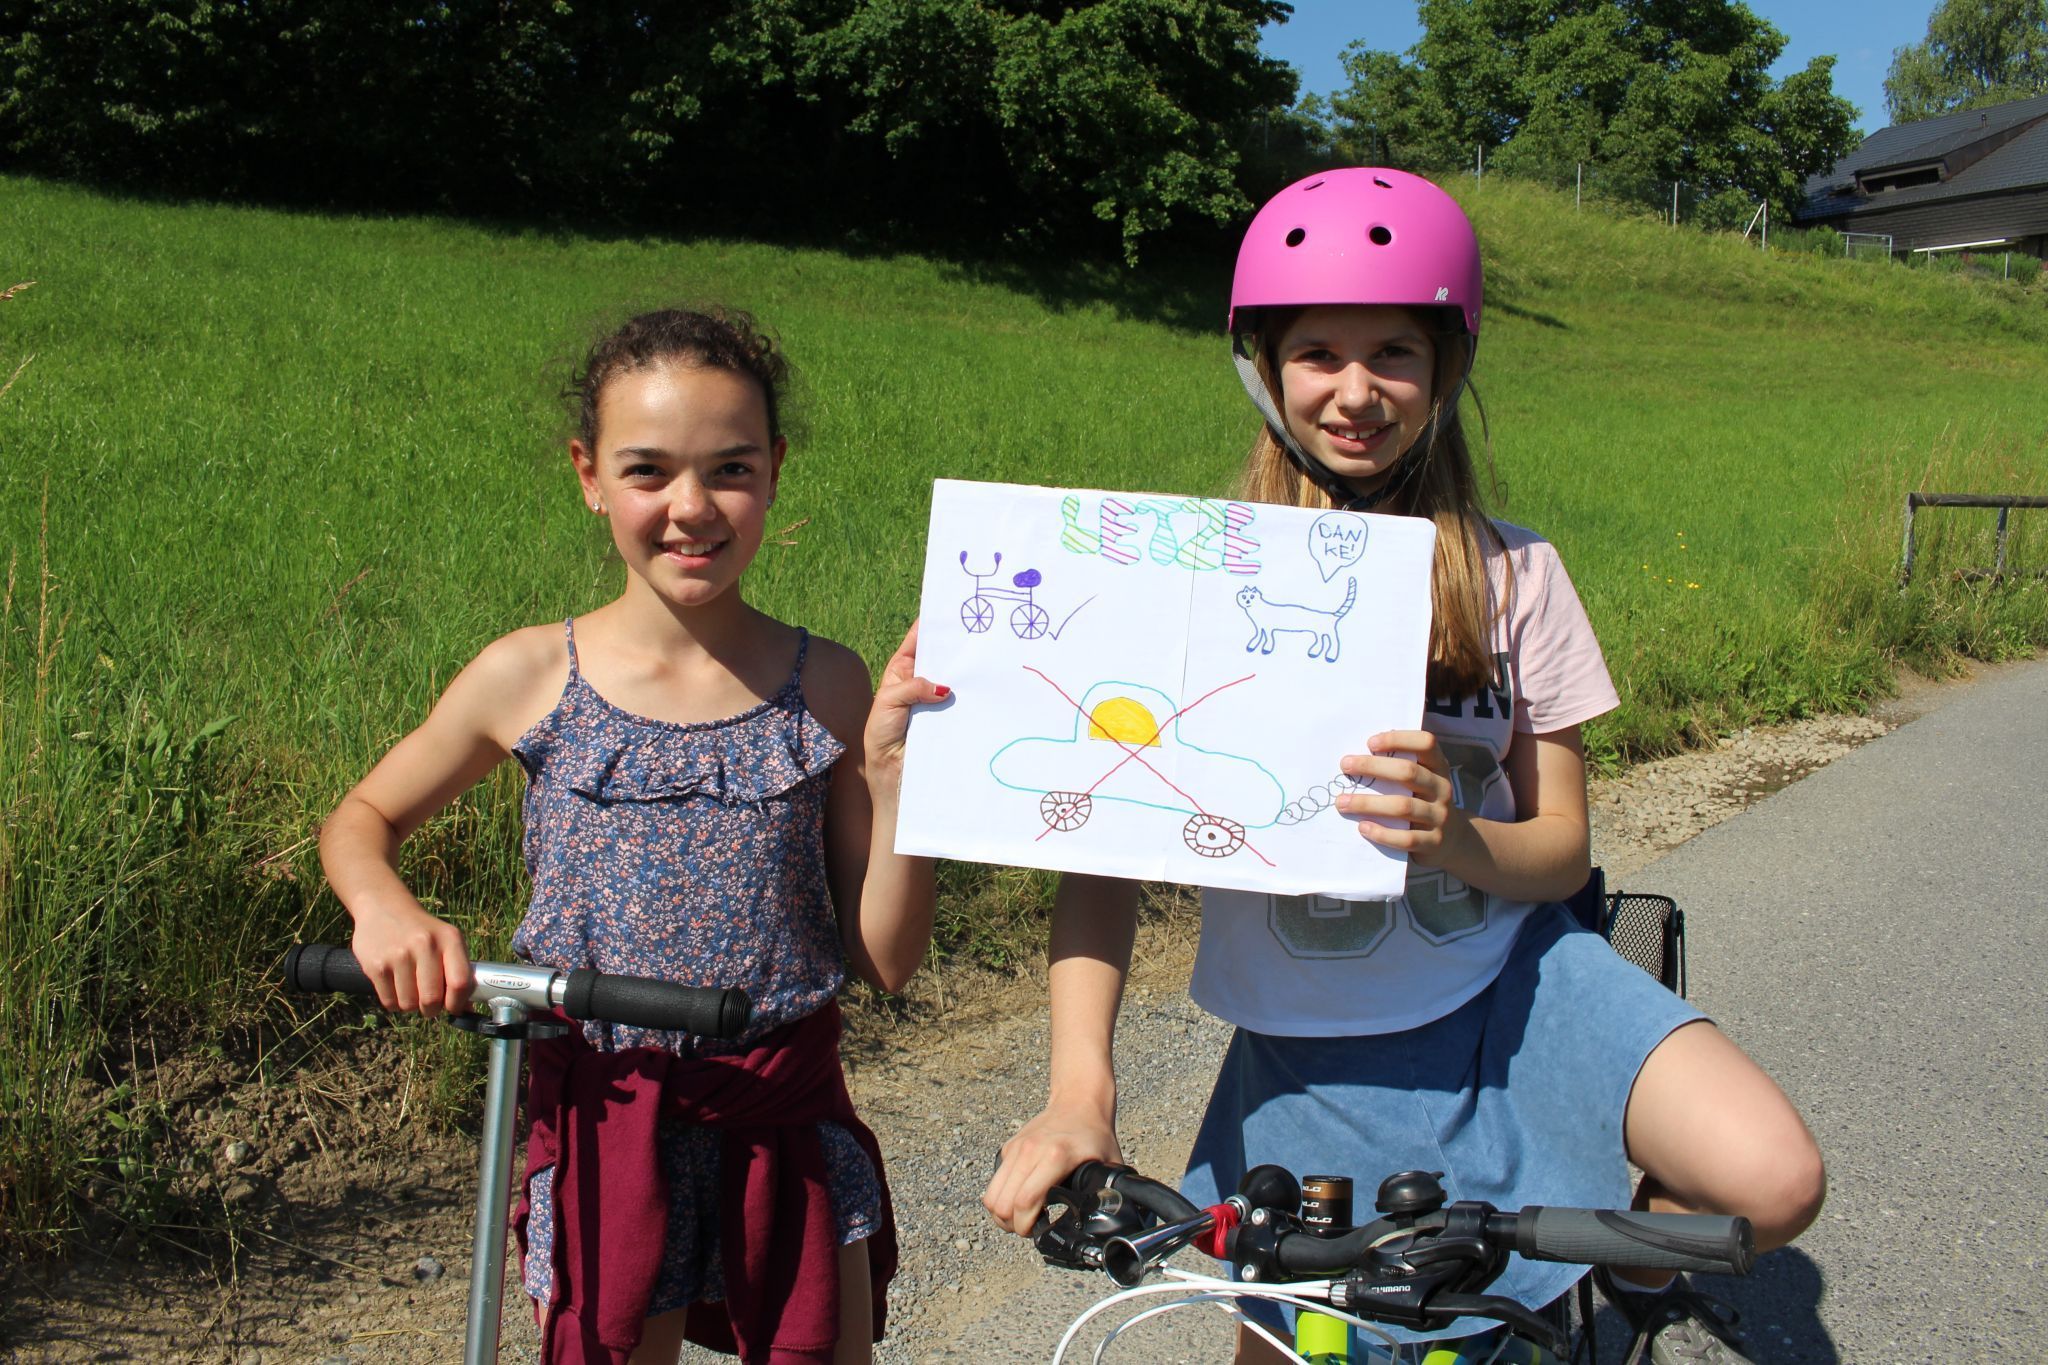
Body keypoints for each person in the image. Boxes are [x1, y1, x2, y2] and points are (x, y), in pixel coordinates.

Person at [982, 170, 1825, 1365]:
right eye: (1316, 350)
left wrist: (1460, 837)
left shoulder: (1515, 575)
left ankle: (1618, 1267)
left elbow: (1562, 845)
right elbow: (1102, 862)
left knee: (1771, 1180)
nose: (1356, 388)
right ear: (1262, 369)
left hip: (1515, 991)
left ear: (1444, 373)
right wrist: (1082, 1094)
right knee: (1308, 1330)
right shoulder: (1182, 583)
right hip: (1307, 1035)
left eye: (1395, 351)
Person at [319, 306, 941, 1365]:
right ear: (588, 474)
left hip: (782, 1116)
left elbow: (884, 958)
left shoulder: (825, 684)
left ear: (777, 470)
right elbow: (361, 819)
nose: (690, 508)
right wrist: (383, 904)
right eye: (647, 470)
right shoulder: (526, 674)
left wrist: (891, 774)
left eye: (731, 469)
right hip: (613, 1117)